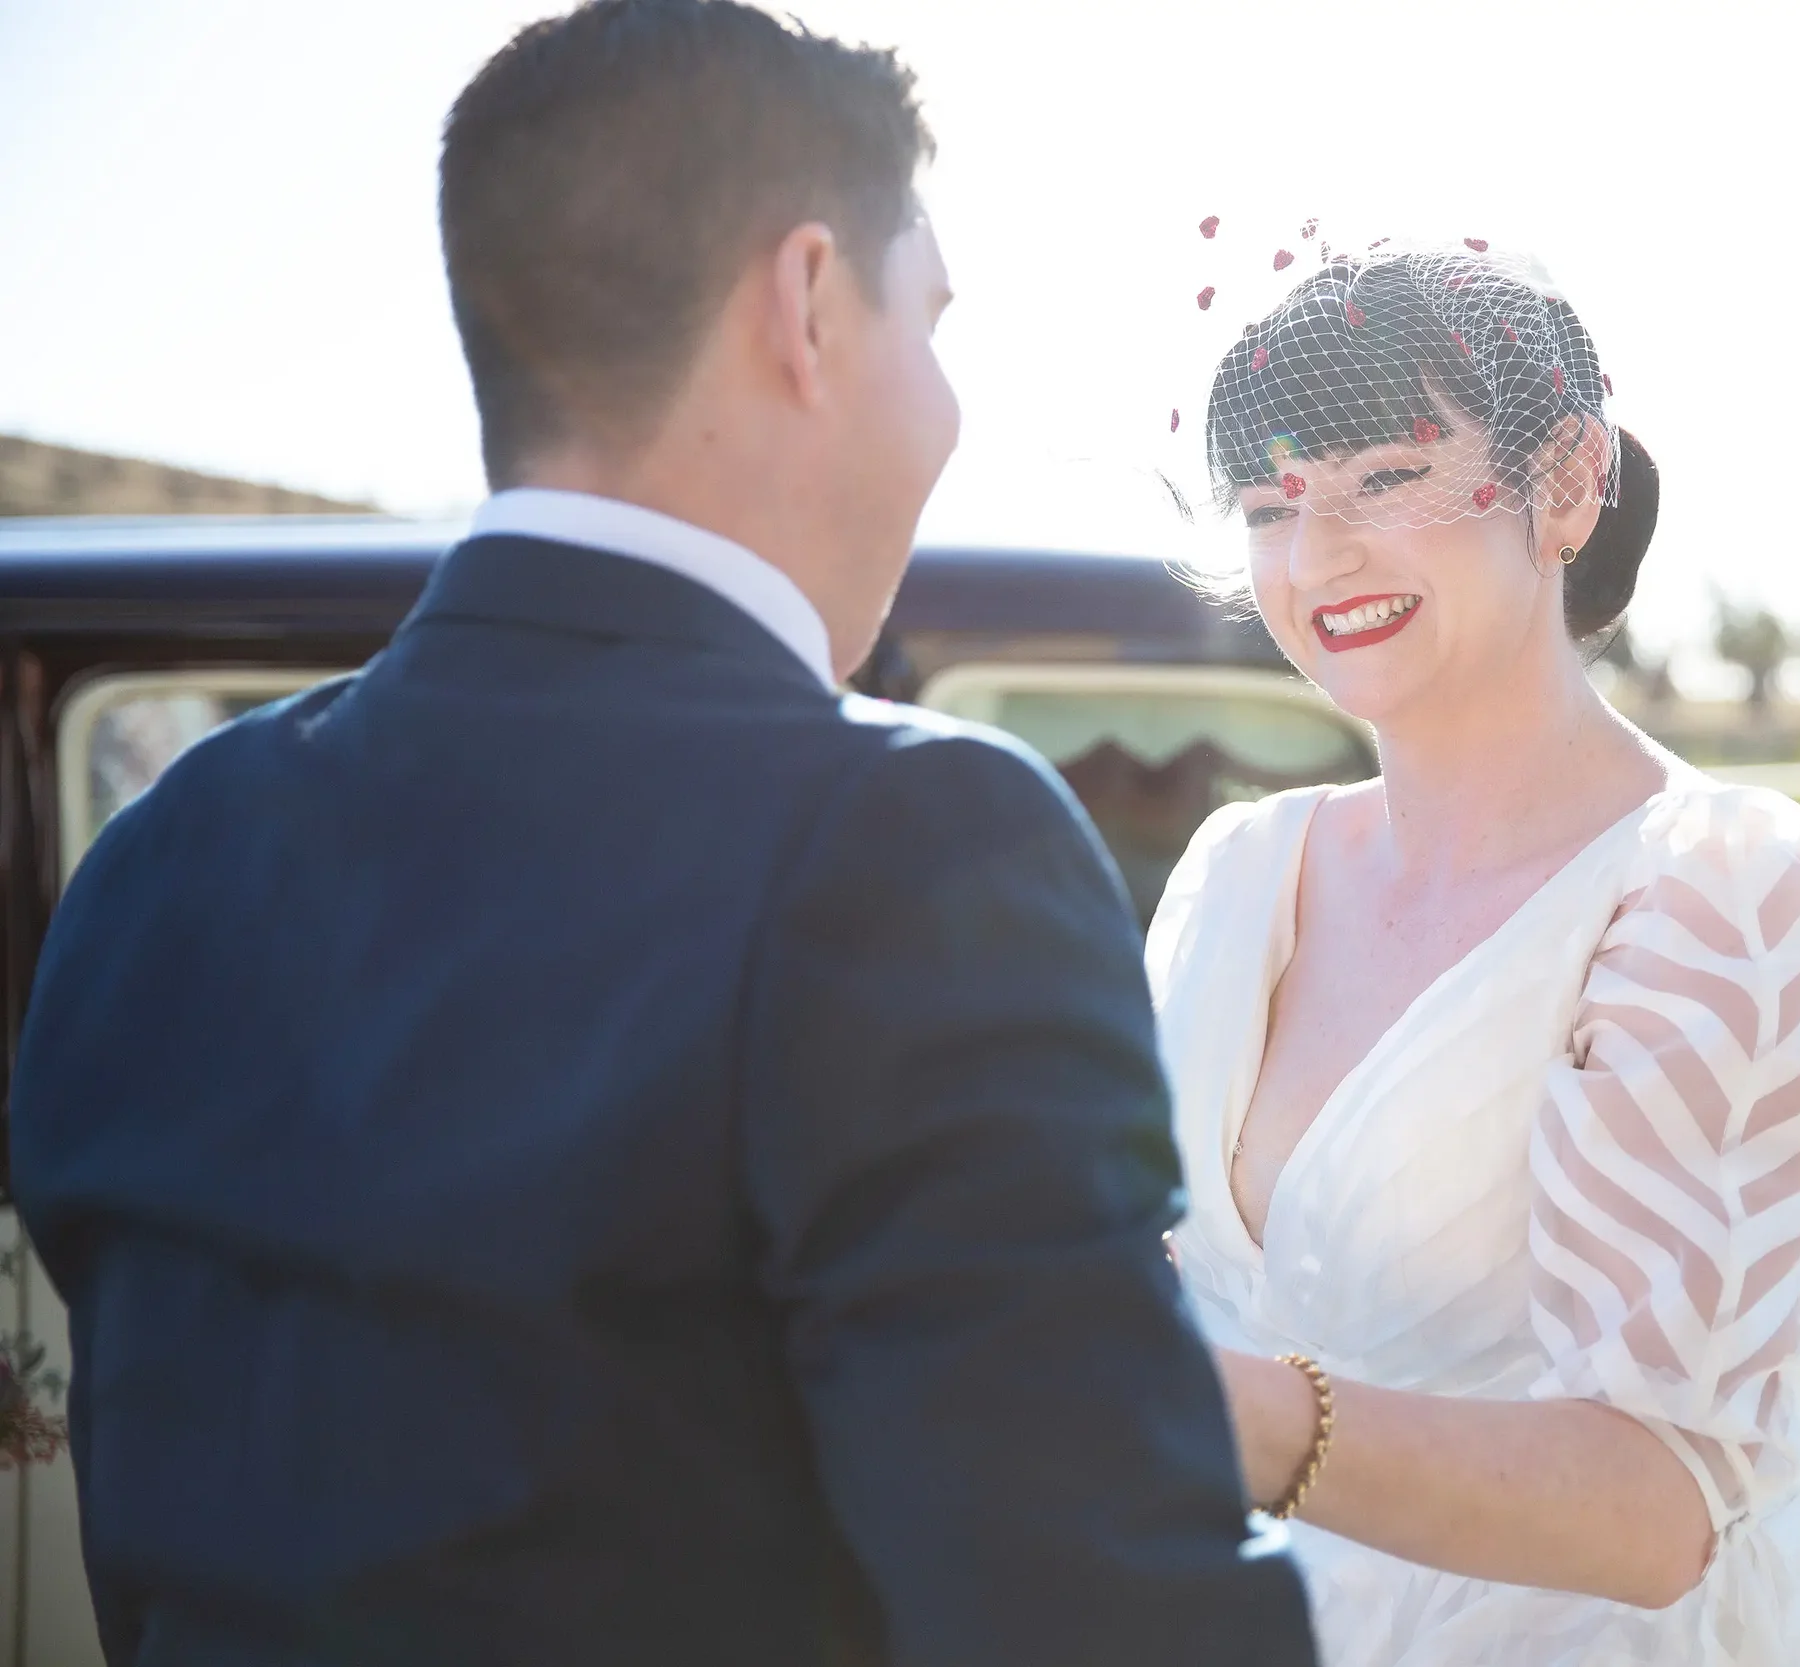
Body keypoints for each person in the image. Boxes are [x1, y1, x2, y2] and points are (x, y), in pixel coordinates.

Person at [7, 4, 1316, 1663]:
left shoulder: (156, 859)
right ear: (811, 304)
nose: (948, 400)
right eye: (934, 317)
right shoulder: (907, 848)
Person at [1148, 243, 1800, 1664]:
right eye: (1271, 504)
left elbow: (1654, 1503)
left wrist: (1231, 1417)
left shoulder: (1711, 892)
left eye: (1387, 478)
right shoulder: (1240, 869)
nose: (1317, 556)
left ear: (1565, 483)